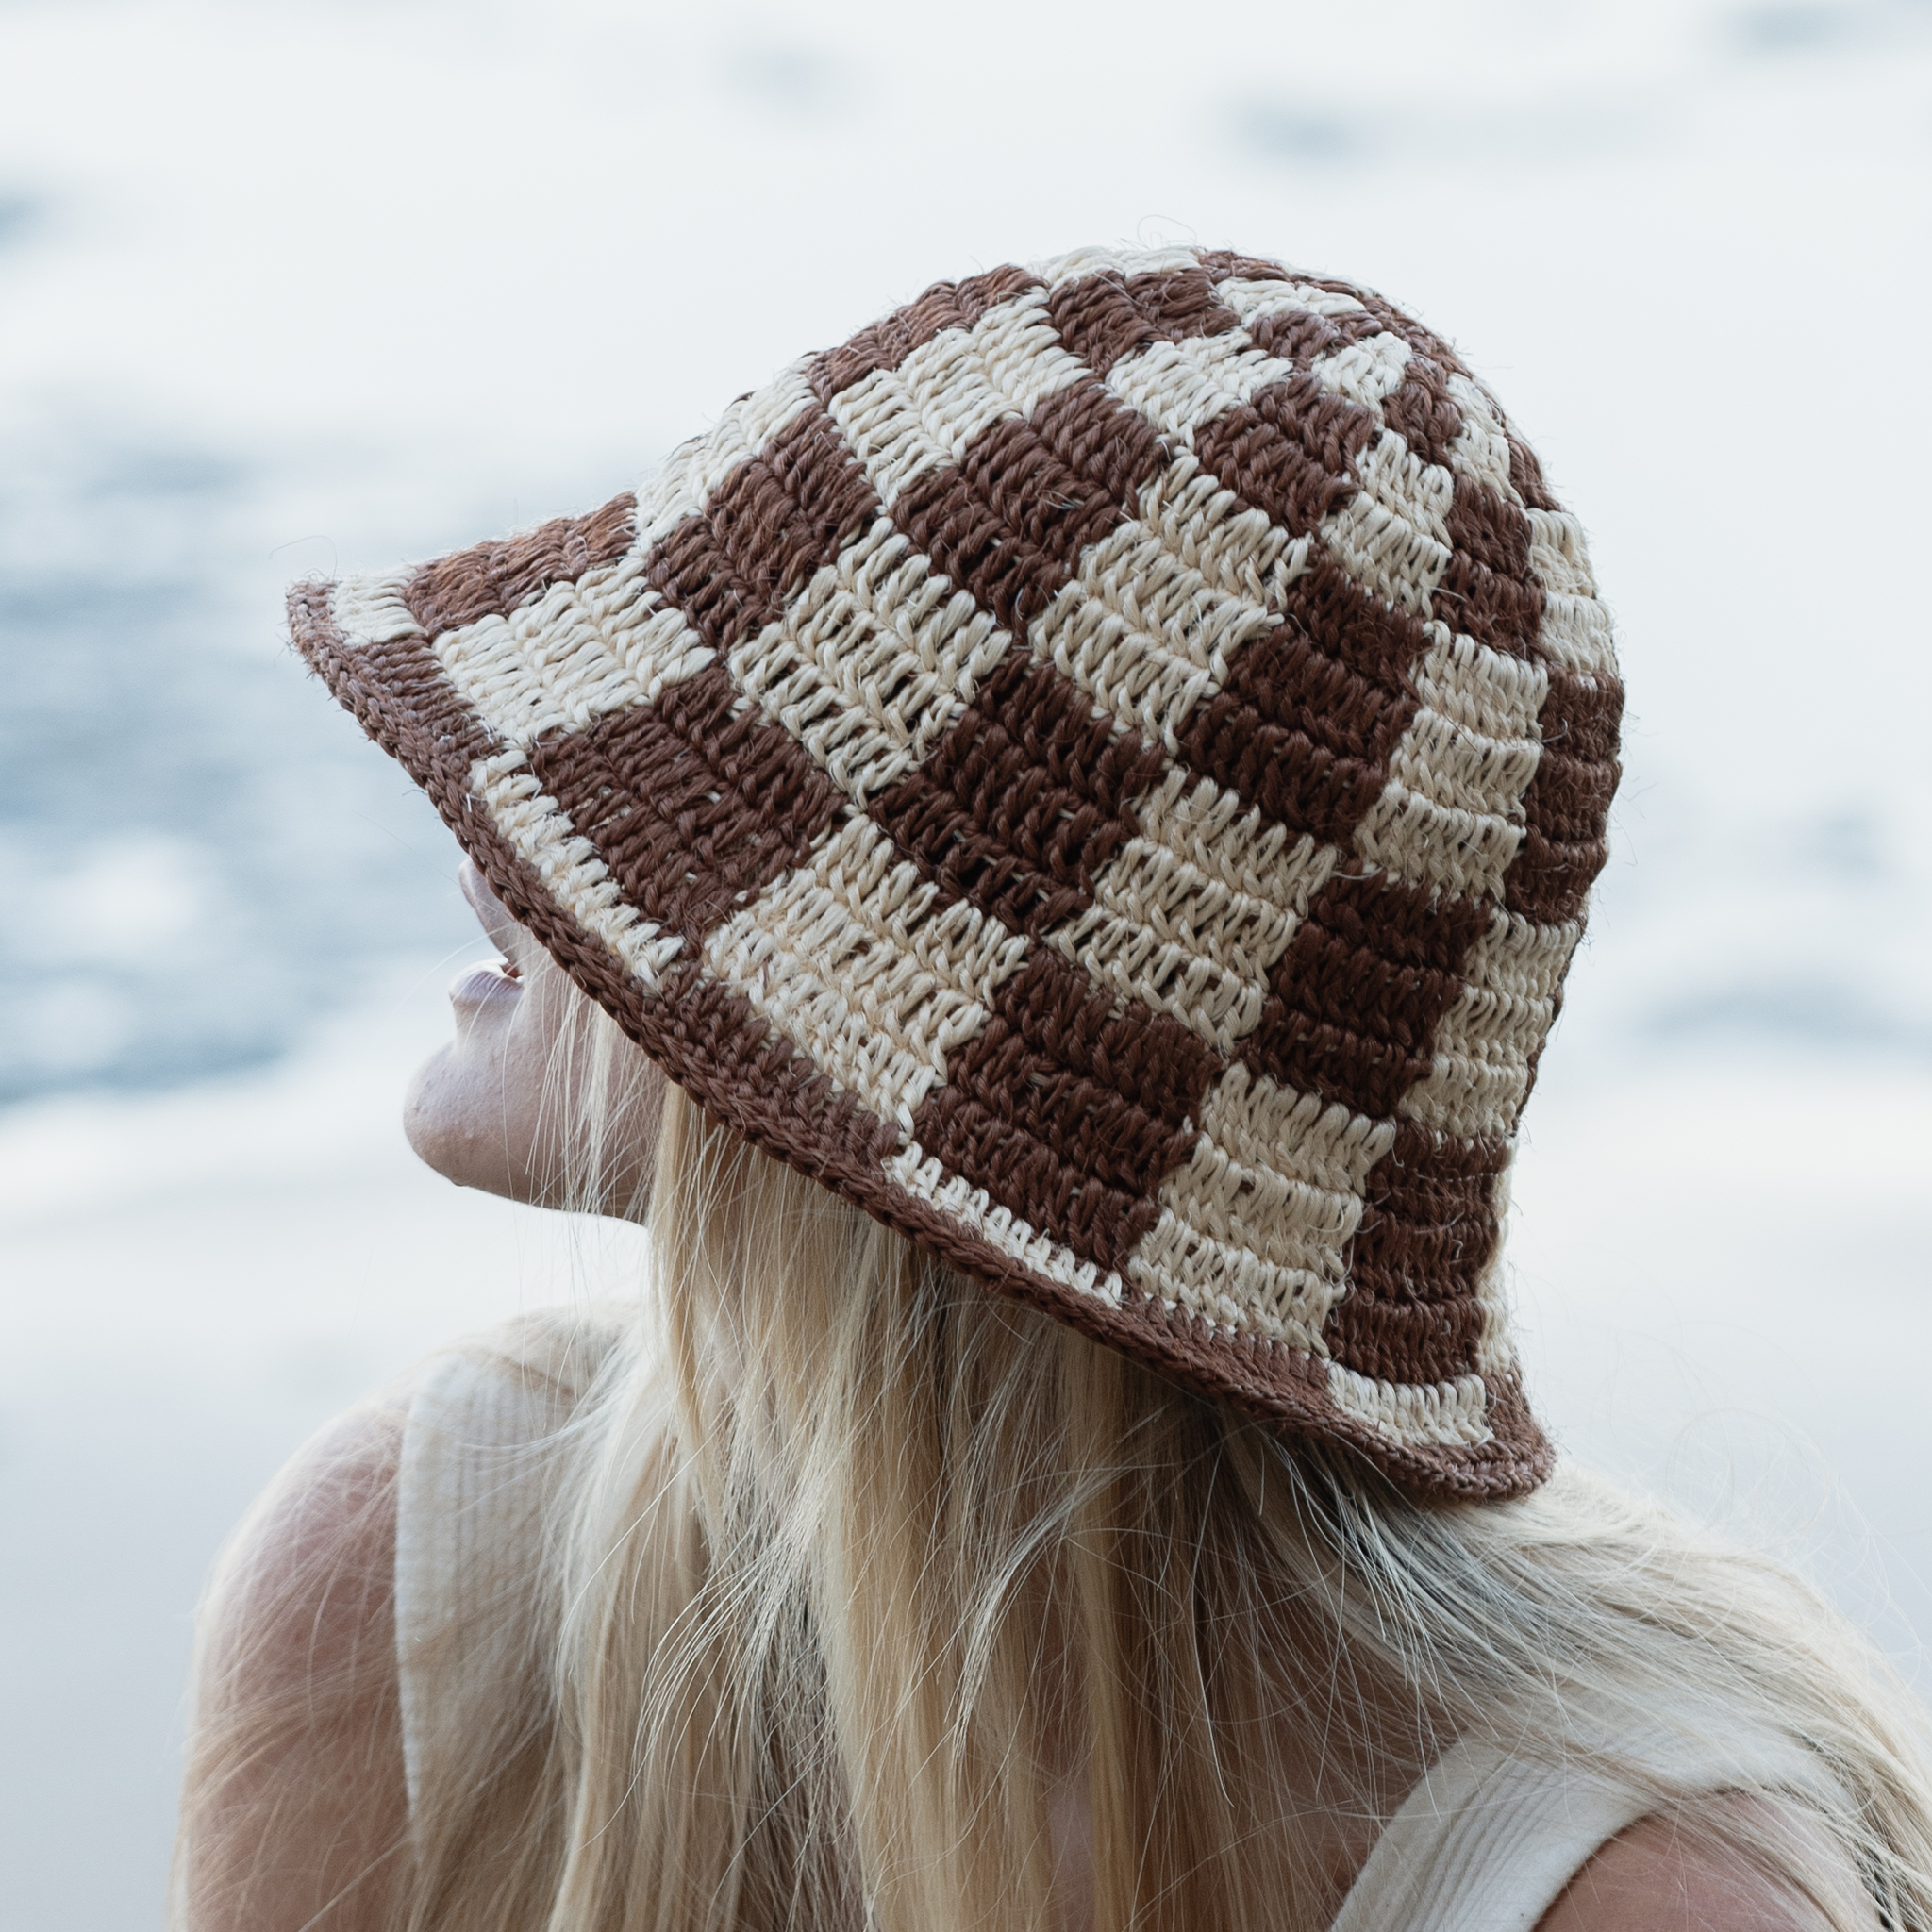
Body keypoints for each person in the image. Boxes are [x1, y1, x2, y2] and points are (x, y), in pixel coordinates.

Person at [172, 244, 1929, 1931]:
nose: (485, 839)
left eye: (671, 801)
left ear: (898, 1041)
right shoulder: (414, 1572)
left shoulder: (1617, 1890)